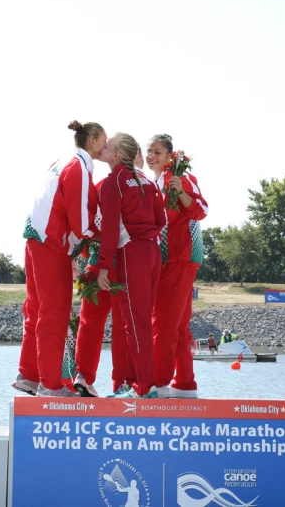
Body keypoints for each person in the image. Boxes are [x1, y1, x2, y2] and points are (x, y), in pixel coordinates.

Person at [13, 121, 106, 398]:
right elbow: (80, 223)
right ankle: (50, 384)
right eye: (104, 140)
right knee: (53, 314)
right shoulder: (78, 167)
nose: (107, 146)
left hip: (35, 240)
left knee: (36, 310)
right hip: (52, 244)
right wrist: (104, 238)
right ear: (93, 141)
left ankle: (28, 375)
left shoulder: (62, 160)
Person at [74, 148, 149, 397]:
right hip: (122, 262)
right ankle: (122, 383)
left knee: (90, 322)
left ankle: (83, 376)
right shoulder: (142, 187)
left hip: (97, 259)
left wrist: (86, 255)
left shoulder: (101, 185)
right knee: (122, 326)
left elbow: (87, 222)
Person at [97, 132, 166, 399]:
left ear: (115, 155)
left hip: (132, 253)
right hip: (152, 250)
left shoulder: (112, 182)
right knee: (142, 321)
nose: (102, 148)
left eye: (107, 146)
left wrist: (103, 265)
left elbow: (111, 229)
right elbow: (161, 220)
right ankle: (139, 383)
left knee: (135, 324)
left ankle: (145, 387)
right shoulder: (147, 180)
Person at [147, 134, 208, 399]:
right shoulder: (156, 180)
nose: (151, 156)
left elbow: (201, 210)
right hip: (173, 258)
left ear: (170, 155)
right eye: (149, 151)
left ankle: (159, 385)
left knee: (163, 323)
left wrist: (180, 191)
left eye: (157, 152)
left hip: (178, 258)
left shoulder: (179, 177)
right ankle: (184, 384)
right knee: (179, 326)